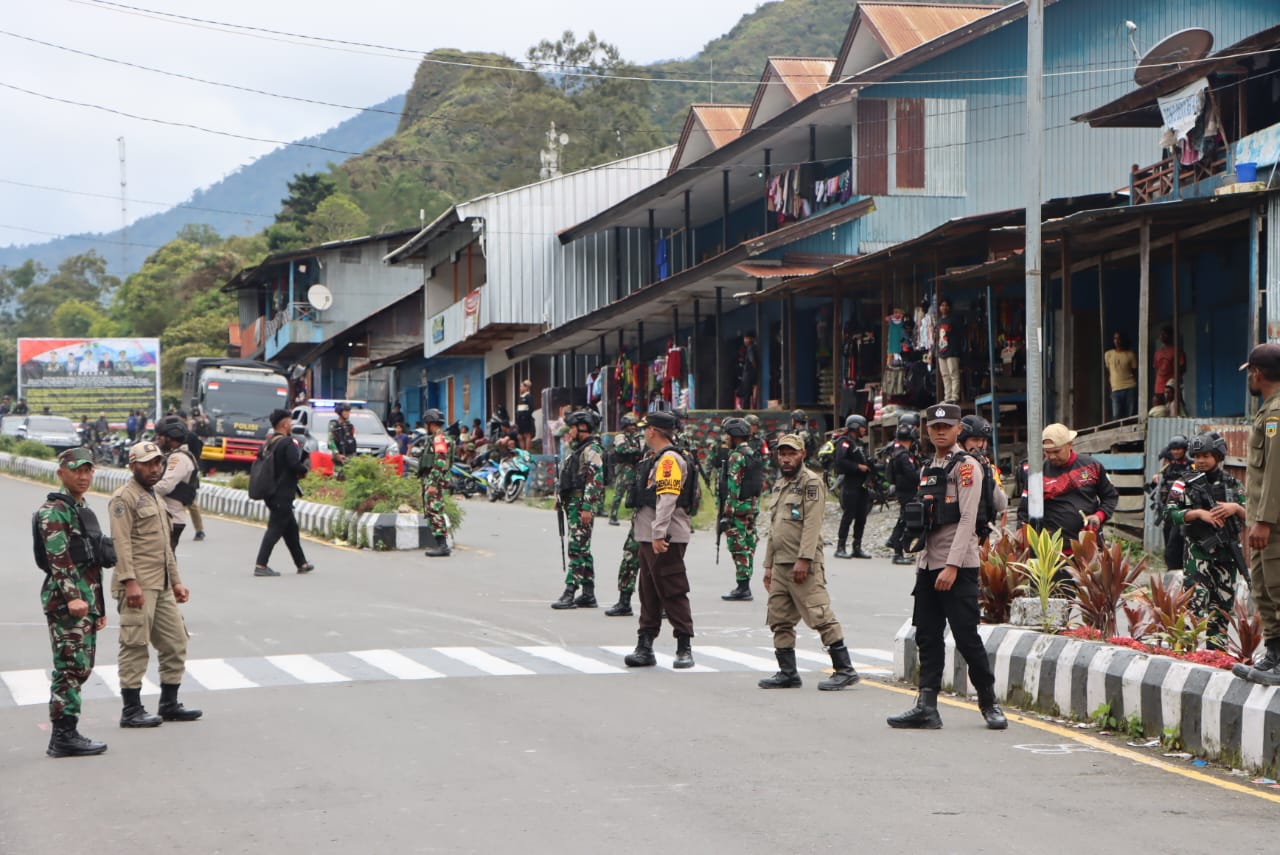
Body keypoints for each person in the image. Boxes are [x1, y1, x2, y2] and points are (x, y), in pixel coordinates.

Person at [888, 404, 1006, 730]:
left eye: (947, 427)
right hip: (928, 563)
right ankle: (926, 706)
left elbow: (967, 519)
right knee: (927, 636)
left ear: (958, 430)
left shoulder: (966, 466)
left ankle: (989, 703)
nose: (940, 432)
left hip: (958, 565)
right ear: (927, 430)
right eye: (935, 427)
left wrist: (952, 566)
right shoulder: (929, 466)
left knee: (966, 637)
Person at [756, 434, 861, 691]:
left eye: (791, 454)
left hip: (802, 563)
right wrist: (768, 566)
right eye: (782, 454)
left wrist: (804, 559)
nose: (786, 459)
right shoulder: (780, 485)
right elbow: (774, 528)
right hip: (780, 564)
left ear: (802, 454)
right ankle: (788, 672)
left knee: (819, 614)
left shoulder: (811, 483)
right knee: (779, 618)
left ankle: (844, 669)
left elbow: (812, 524)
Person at [109, 441, 202, 727]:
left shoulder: (156, 498)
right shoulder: (124, 498)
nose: (154, 469)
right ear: (132, 466)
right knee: (135, 644)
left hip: (161, 584)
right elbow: (121, 543)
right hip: (138, 585)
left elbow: (164, 547)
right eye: (147, 463)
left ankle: (169, 703)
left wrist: (176, 582)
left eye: (158, 463)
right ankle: (131, 710)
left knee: (176, 641)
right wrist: (130, 582)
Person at [36, 447, 110, 757]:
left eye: (87, 470)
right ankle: (62, 736)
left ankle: (68, 731)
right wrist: (74, 598)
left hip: (85, 600)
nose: (83, 476)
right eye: (77, 470)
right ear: (61, 473)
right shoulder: (54, 511)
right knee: (69, 667)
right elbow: (59, 560)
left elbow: (91, 563)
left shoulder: (81, 508)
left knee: (81, 667)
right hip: (67, 602)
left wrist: (98, 607)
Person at [622, 410, 696, 669]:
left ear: (653, 431)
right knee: (649, 592)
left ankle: (684, 646)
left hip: (665, 537)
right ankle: (645, 646)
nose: (644, 433)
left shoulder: (668, 461)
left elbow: (667, 498)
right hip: (648, 536)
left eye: (646, 429)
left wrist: (658, 533)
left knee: (672, 589)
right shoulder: (656, 457)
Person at [1167, 431, 1246, 651]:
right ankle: (1185, 651)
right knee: (1193, 607)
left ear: (1218, 456)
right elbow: (1169, 513)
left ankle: (1216, 654)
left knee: (1221, 609)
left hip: (1226, 556)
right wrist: (1198, 514)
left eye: (1206, 456)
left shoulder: (1232, 484)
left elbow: (1253, 516)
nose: (1200, 460)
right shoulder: (1183, 483)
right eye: (1197, 456)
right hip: (1197, 555)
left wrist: (1235, 508)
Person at [1238, 344, 1280, 685]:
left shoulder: (1276, 413)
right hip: (1262, 522)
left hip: (1274, 523)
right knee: (1264, 591)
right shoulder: (1267, 410)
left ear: (1257, 373)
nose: (1249, 378)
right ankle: (1274, 656)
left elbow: (1276, 472)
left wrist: (1263, 521)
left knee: (1278, 589)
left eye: (1250, 372)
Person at [1016, 423, 1119, 554]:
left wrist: (1099, 516)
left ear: (1069, 444)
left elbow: (1110, 496)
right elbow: (1024, 512)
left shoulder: (1092, 466)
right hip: (1054, 552)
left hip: (1088, 548)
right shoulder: (1037, 474)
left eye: (1056, 451)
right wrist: (1022, 539)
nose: (1052, 456)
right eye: (1047, 452)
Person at [551, 410, 605, 609]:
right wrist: (560, 497)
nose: (570, 432)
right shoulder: (578, 449)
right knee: (583, 548)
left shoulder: (592, 449)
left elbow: (594, 480)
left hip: (582, 504)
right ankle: (588, 593)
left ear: (583, 428)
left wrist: (587, 507)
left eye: (572, 428)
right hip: (573, 503)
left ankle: (570, 592)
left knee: (577, 548)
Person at [253, 410, 315, 576]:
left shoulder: (269, 442)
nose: (291, 425)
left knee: (290, 529)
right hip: (282, 493)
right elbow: (294, 464)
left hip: (271, 492)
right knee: (274, 529)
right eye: (290, 422)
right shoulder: (287, 443)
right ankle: (261, 565)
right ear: (284, 424)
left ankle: (301, 563)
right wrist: (304, 469)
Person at [720, 417, 765, 601]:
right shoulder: (753, 453)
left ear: (735, 435)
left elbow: (733, 486)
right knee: (749, 543)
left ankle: (743, 587)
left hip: (738, 508)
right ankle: (745, 583)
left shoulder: (736, 456)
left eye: (728, 435)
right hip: (751, 506)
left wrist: (727, 513)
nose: (726, 439)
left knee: (738, 545)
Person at [153, 415, 200, 551]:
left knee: (162, 559)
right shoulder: (174, 456)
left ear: (171, 436)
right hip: (168, 517)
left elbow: (165, 486)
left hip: (171, 519)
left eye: (161, 435)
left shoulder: (178, 458)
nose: (157, 438)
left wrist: (140, 492)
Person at [832, 414, 872, 559]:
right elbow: (840, 461)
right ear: (855, 426)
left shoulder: (859, 443)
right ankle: (840, 547)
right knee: (848, 516)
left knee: (862, 516)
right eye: (862, 427)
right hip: (850, 483)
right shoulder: (844, 442)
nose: (864, 429)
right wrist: (857, 466)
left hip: (862, 485)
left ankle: (857, 547)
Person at [1152, 435, 1193, 571]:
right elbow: (1158, 487)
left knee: (1176, 542)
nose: (1176, 452)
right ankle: (1172, 569)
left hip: (1183, 510)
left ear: (1184, 449)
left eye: (1179, 449)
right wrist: (1157, 480)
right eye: (1173, 449)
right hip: (1167, 510)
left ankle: (1178, 568)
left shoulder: (1191, 466)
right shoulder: (1168, 467)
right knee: (1168, 538)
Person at [416, 408, 453, 558]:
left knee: (434, 511)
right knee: (432, 511)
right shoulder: (436, 438)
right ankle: (440, 545)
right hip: (432, 479)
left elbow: (440, 461)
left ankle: (442, 546)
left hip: (434, 481)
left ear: (430, 423)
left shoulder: (438, 439)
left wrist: (433, 483)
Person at [885, 423, 921, 565]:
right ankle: (897, 551)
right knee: (906, 521)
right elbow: (911, 475)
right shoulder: (903, 455)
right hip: (907, 492)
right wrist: (923, 472)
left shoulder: (898, 452)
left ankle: (894, 542)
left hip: (904, 491)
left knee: (903, 519)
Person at [607, 413, 643, 526]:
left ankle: (636, 517)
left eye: (634, 425)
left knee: (636, 492)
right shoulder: (620, 437)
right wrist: (635, 450)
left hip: (635, 467)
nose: (633, 427)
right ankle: (613, 516)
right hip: (624, 468)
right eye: (630, 425)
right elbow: (621, 449)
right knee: (619, 493)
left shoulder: (635, 437)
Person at [1104, 332, 1138, 419]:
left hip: (1130, 387)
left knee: (1130, 415)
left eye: (1119, 338)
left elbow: (1135, 372)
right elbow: (1108, 373)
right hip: (1116, 389)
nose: (1117, 341)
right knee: (1116, 415)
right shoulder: (1108, 354)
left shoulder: (1130, 354)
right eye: (1115, 338)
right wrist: (1109, 390)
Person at [936, 299, 962, 404]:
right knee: (945, 375)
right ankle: (947, 397)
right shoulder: (938, 322)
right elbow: (937, 338)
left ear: (949, 307)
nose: (944, 307)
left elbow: (959, 336)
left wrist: (956, 350)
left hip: (952, 352)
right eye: (942, 305)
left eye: (946, 305)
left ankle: (954, 396)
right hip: (941, 352)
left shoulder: (953, 320)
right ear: (939, 307)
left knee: (953, 374)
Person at [1153, 326, 1186, 400]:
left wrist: (1173, 381)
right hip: (1159, 387)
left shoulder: (1177, 351)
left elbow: (1183, 368)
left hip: (1171, 388)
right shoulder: (1157, 353)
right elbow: (1156, 368)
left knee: (1172, 406)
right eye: (1161, 334)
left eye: (1164, 334)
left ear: (1171, 336)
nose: (1162, 336)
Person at [328, 402, 357, 470]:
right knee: (339, 474)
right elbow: (330, 441)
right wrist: (337, 454)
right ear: (340, 412)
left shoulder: (350, 426)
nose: (348, 413)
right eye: (345, 411)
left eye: (349, 411)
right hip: (339, 457)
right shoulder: (334, 424)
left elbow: (352, 441)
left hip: (350, 458)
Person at [735, 330, 759, 410]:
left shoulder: (750, 348)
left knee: (746, 394)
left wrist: (755, 369)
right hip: (750, 374)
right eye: (744, 338)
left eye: (746, 338)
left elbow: (752, 361)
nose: (745, 340)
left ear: (751, 339)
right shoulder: (754, 347)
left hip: (748, 374)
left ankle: (745, 410)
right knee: (748, 393)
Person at [516, 380, 535, 451]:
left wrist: (525, 415)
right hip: (519, 419)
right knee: (519, 436)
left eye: (521, 386)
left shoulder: (528, 396)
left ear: (526, 388)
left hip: (526, 419)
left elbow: (531, 408)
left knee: (527, 435)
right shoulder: (521, 397)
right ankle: (523, 451)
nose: (520, 388)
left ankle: (527, 451)